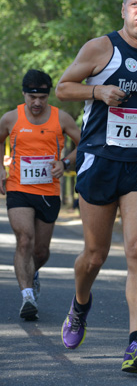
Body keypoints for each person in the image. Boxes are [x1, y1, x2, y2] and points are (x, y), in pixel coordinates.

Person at [54, 0, 137, 374]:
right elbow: (63, 87)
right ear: (123, 10)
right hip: (100, 160)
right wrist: (97, 91)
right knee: (95, 256)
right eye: (135, 5)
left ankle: (136, 342)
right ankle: (80, 305)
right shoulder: (101, 49)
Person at [0, 70, 80, 321]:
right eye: (32, 96)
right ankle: (27, 296)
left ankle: (32, 274)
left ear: (48, 97)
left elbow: (85, 144)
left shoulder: (62, 119)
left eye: (42, 97)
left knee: (41, 252)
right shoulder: (10, 118)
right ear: (24, 94)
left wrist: (65, 163)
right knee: (25, 239)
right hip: (18, 189)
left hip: (48, 191)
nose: (37, 102)